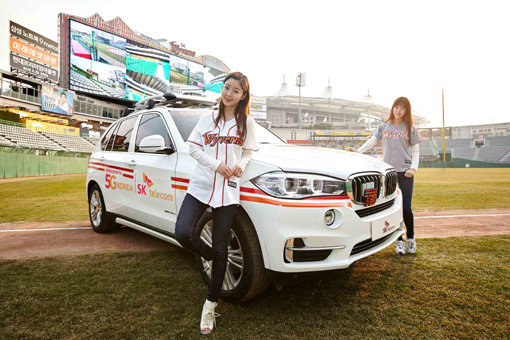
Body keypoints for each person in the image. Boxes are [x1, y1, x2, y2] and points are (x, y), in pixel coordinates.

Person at [174, 72, 258, 335]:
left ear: (243, 96)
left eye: (235, 91)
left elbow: (249, 151)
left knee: (221, 243)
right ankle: (213, 257)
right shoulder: (208, 117)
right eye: (226, 88)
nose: (229, 94)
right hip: (201, 184)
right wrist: (217, 165)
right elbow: (194, 149)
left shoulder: (247, 123)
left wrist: (240, 165)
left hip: (228, 189)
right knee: (183, 232)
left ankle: (210, 304)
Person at [347, 96, 422, 255]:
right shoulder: (383, 127)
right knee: (393, 209)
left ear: (406, 111)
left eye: (402, 108)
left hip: (405, 173)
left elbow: (415, 151)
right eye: (396, 107)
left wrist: (413, 168)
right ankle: (399, 241)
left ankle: (411, 238)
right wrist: (358, 152)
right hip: (388, 175)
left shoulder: (410, 128)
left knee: (406, 208)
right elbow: (372, 141)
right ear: (392, 108)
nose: (398, 110)